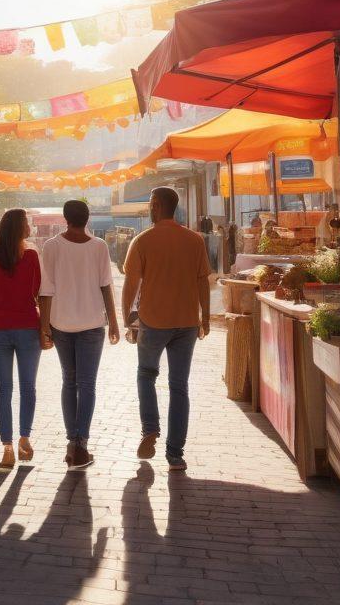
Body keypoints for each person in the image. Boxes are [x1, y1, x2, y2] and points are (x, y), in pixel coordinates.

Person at [121, 186, 210, 472]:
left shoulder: (143, 240)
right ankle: (175, 455)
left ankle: (150, 428)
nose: (149, 207)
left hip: (153, 320)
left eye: (149, 203)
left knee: (146, 375)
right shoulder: (194, 240)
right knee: (179, 385)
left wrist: (127, 317)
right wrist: (205, 317)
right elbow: (202, 282)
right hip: (186, 321)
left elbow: (131, 283)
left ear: (157, 205)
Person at [38, 200, 120, 469]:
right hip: (93, 324)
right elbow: (106, 286)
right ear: (88, 219)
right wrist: (114, 322)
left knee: (69, 382)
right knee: (87, 385)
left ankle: (72, 441)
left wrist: (44, 326)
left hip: (60, 323)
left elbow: (45, 290)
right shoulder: (99, 246)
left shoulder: (51, 246)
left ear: (65, 218)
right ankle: (80, 444)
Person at [0, 208, 48, 472]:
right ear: (20, 227)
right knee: (28, 387)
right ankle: (24, 438)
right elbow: (37, 291)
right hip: (26, 327)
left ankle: (7, 448)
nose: (30, 226)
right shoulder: (31, 256)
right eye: (27, 222)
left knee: (3, 389)